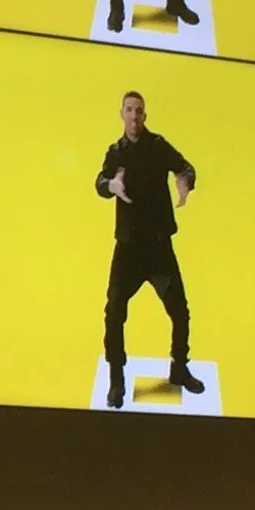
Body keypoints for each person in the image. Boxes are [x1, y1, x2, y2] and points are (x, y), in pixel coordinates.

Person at [96, 86, 202, 407]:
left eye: (139, 110)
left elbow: (186, 166)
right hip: (128, 249)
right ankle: (117, 380)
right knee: (114, 311)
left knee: (180, 311)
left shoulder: (157, 146)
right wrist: (110, 185)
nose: (134, 115)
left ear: (145, 115)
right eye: (129, 110)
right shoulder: (116, 152)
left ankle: (179, 368)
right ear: (121, 114)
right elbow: (99, 181)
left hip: (157, 249)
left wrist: (185, 181)